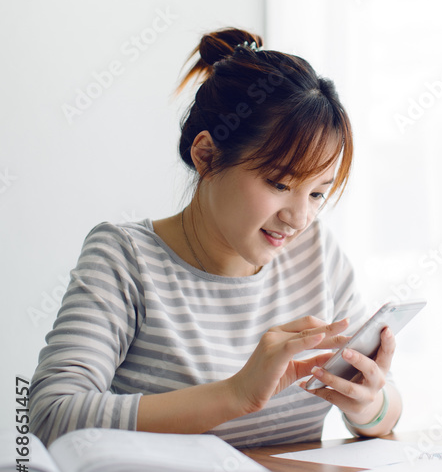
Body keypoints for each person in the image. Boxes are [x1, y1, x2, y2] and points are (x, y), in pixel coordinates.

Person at [30, 28, 402, 448]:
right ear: (206, 156)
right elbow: (50, 414)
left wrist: (367, 404)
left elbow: (387, 410)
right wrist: (235, 395)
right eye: (279, 184)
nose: (299, 217)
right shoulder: (124, 259)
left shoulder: (316, 253)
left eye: (318, 193)